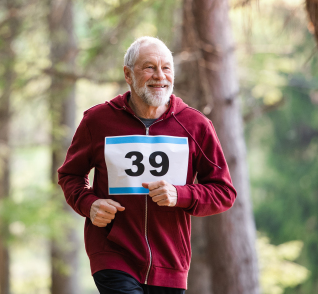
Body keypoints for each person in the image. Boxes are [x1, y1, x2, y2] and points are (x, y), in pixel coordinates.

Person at [58, 36, 237, 293]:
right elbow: (70, 175)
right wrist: (89, 204)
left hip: (170, 262)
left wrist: (181, 194)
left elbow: (224, 192)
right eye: (149, 67)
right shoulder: (97, 121)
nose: (160, 76)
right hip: (112, 253)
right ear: (128, 75)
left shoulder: (196, 126)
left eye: (166, 68)